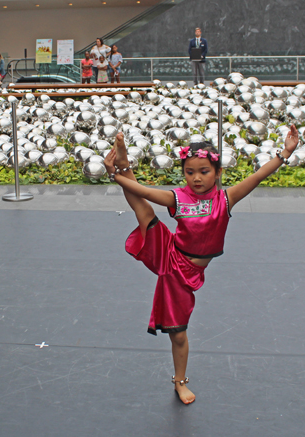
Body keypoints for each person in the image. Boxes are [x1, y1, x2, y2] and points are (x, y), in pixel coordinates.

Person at [103, 127, 299, 405]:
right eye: (190, 172)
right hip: (173, 265)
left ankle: (124, 163)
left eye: (204, 171)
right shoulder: (178, 198)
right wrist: (115, 174)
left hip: (191, 267)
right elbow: (143, 192)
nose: (196, 178)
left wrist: (285, 153)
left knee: (145, 212)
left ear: (217, 172)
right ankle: (180, 382)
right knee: (178, 333)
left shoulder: (225, 199)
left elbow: (257, 176)